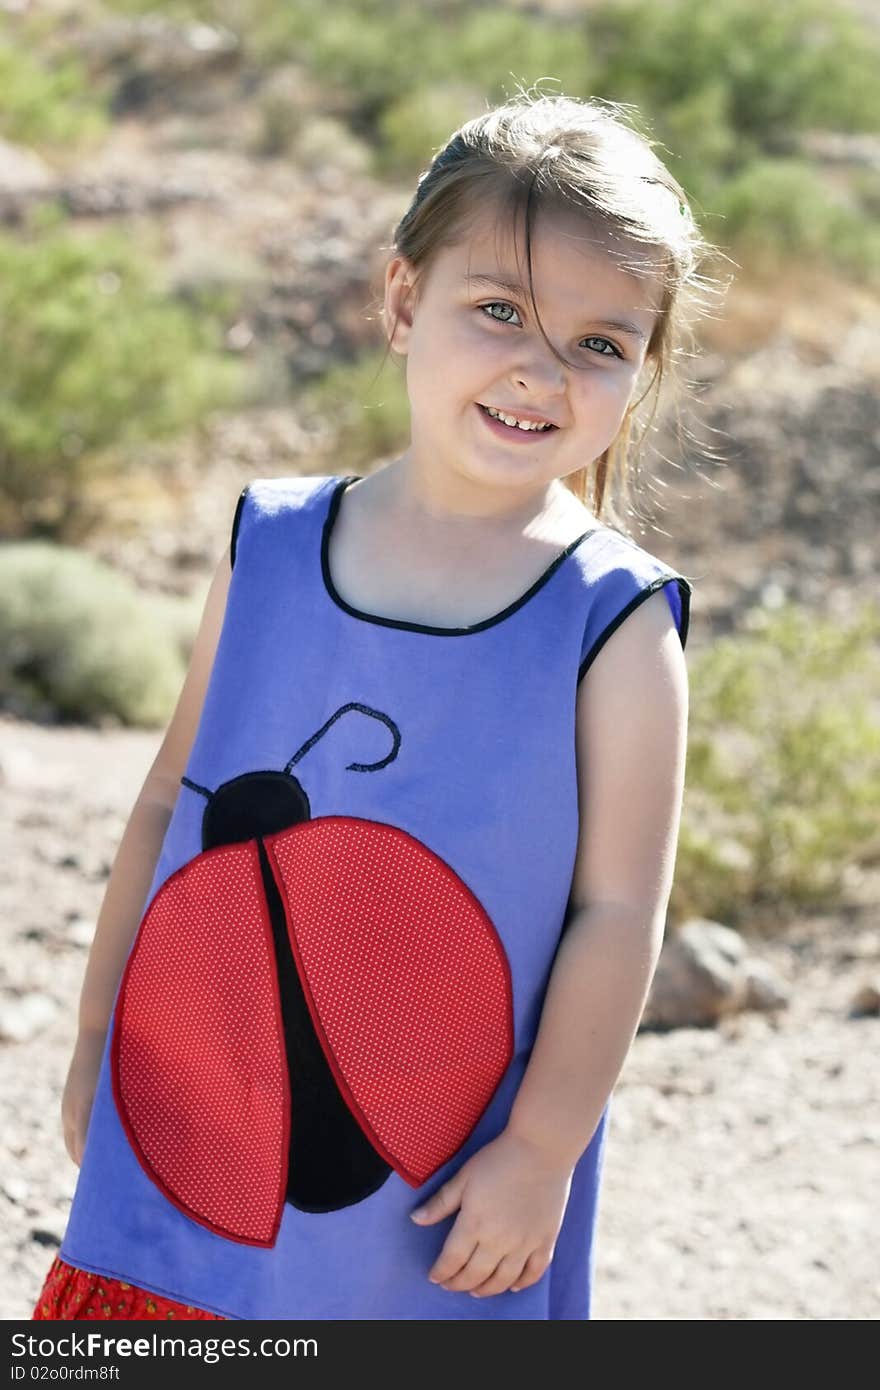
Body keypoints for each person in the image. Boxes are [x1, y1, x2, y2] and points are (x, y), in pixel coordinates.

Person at [32, 90, 717, 1321]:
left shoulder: (609, 621)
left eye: (599, 343)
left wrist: (540, 1152)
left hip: (436, 1189)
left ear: (639, 372)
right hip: (192, 1112)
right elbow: (162, 803)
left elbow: (617, 914)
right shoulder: (274, 541)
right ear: (404, 303)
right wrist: (94, 1031)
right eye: (499, 311)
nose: (537, 368)